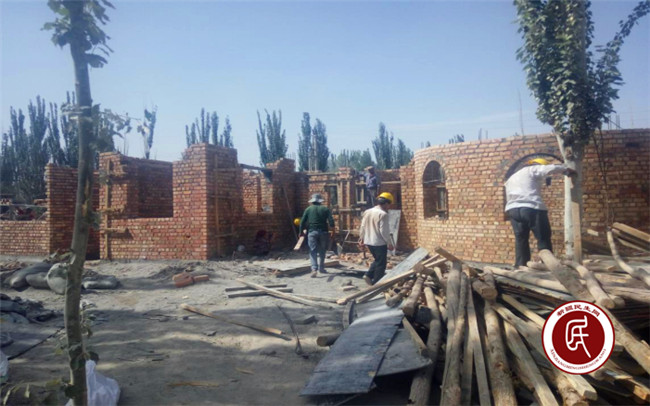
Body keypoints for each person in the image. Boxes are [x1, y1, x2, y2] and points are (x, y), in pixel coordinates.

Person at [505, 158, 575, 268]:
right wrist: (566, 169)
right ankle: (549, 266)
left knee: (521, 239)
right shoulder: (532, 169)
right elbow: (550, 168)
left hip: (513, 210)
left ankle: (520, 266)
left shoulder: (512, 178)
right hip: (532, 208)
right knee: (543, 238)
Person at [358, 192, 395, 285]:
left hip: (369, 241)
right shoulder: (383, 214)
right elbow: (384, 231)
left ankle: (368, 275)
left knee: (378, 260)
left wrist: (361, 238)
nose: (389, 207)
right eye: (389, 204)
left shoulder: (367, 211)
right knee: (381, 264)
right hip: (379, 242)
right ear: (386, 203)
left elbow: (362, 226)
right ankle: (377, 283)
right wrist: (389, 243)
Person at [299, 193, 335, 278]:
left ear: (312, 201)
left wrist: (300, 232)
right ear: (320, 201)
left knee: (313, 250)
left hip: (312, 232)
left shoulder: (308, 209)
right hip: (323, 232)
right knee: (322, 250)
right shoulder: (325, 209)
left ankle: (314, 269)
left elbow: (302, 222)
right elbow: (331, 222)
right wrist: (333, 232)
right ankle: (321, 268)